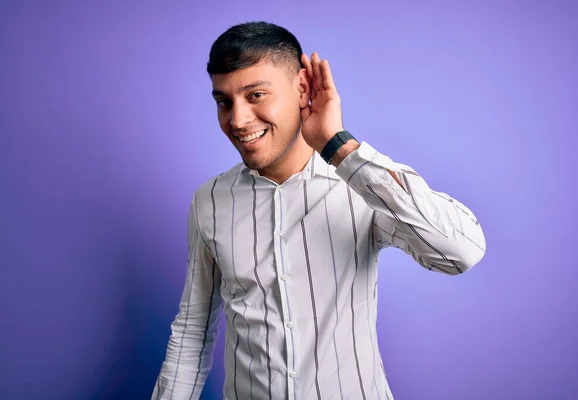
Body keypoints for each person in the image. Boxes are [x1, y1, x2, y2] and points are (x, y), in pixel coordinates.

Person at [151, 21, 486, 400]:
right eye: (224, 101)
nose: (238, 120)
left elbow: (461, 252)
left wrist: (340, 147)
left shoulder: (361, 187)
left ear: (302, 89)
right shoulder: (209, 200)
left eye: (256, 94)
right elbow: (193, 332)